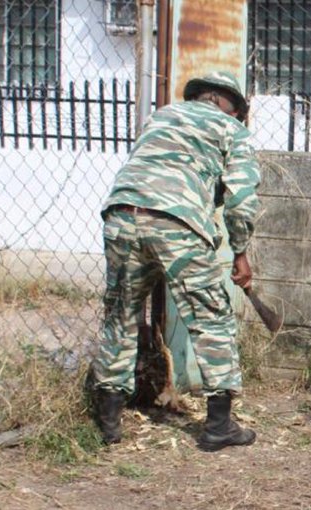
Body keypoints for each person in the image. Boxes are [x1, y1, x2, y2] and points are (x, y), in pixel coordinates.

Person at [90, 68, 261, 452]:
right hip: (178, 223)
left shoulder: (161, 116)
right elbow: (241, 199)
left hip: (120, 216)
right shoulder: (231, 130)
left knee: (120, 314)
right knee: (211, 316)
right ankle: (219, 426)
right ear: (229, 106)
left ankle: (108, 423)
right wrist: (240, 252)